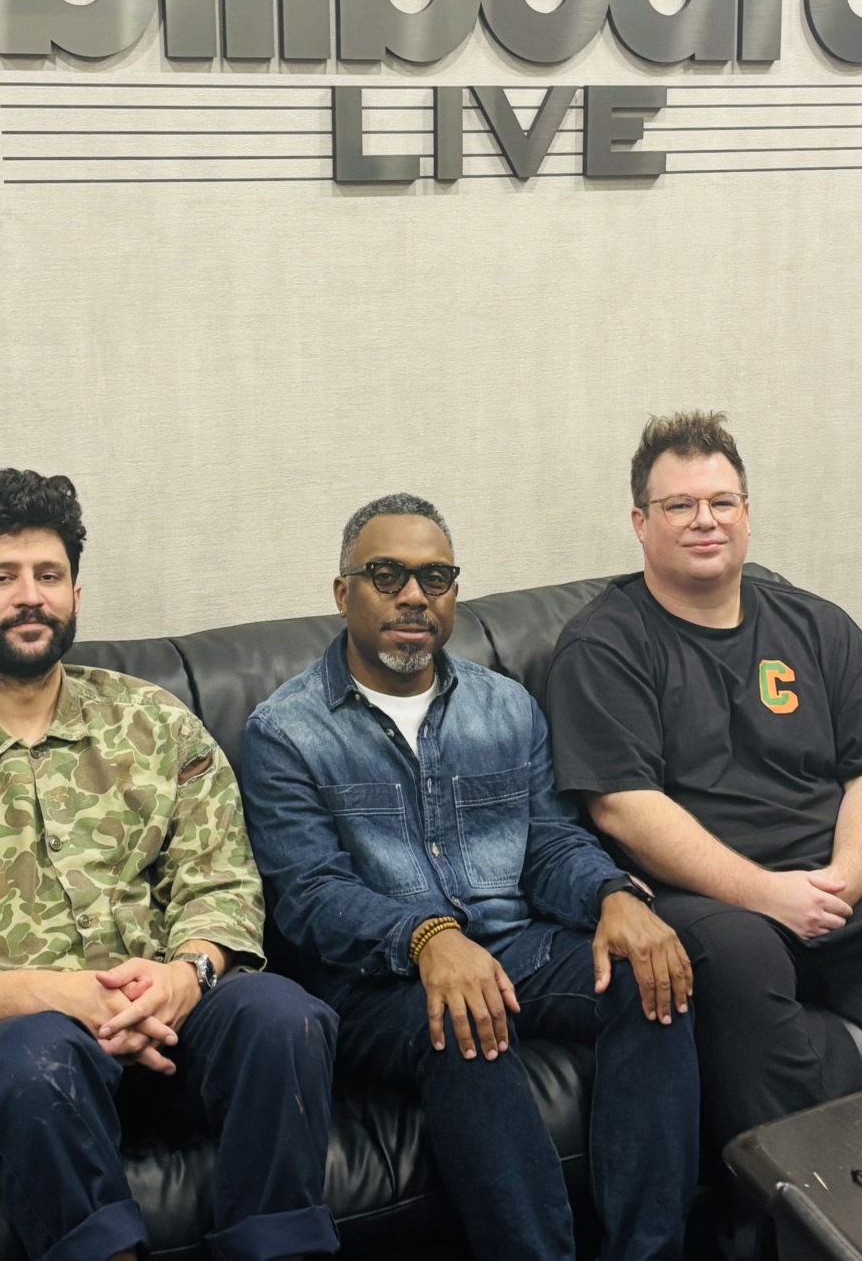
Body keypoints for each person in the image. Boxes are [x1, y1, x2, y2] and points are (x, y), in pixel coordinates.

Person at [0, 469, 338, 1261]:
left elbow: (221, 879)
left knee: (283, 1015)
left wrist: (187, 973)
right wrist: (61, 994)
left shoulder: (155, 725)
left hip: (174, 1015)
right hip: (30, 1041)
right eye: (1, 577)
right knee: (31, 1060)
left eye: (49, 576)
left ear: (75, 594)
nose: (30, 596)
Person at [546, 411, 862, 1150]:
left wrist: (842, 880)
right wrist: (767, 894)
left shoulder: (818, 626)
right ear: (641, 524)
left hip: (830, 879)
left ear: (746, 514)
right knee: (739, 953)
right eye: (679, 505)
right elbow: (623, 809)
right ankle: (796, 1198)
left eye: (722, 501)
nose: (705, 520)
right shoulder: (603, 643)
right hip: (697, 896)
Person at [241, 493, 700, 1261]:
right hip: (375, 982)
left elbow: (549, 843)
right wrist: (427, 937)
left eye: (435, 578)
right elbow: (311, 895)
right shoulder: (285, 731)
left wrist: (613, 895)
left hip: (515, 946)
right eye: (386, 576)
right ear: (342, 593)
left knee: (651, 974)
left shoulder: (507, 707)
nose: (413, 596)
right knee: (460, 1013)